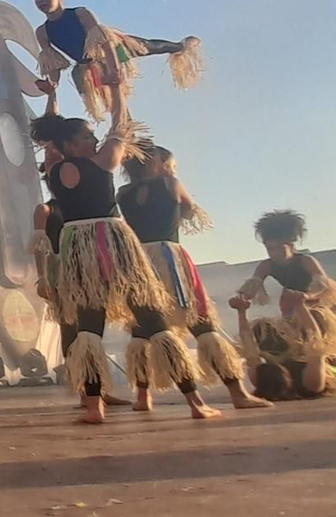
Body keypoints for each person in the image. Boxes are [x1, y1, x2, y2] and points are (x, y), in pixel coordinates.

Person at [30, 85, 219, 424]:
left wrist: (53, 97)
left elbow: (50, 135)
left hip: (77, 246)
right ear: (72, 145)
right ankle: (195, 402)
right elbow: (120, 128)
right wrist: (117, 89)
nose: (94, 140)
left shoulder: (56, 167)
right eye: (88, 136)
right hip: (112, 241)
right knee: (151, 318)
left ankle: (92, 407)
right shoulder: (102, 164)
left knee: (89, 327)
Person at [118, 144, 270, 412]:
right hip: (169, 258)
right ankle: (237, 393)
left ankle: (143, 397)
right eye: (172, 165)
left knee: (142, 329)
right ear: (160, 163)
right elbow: (188, 210)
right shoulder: (170, 184)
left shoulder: (124, 194)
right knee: (201, 323)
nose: (174, 170)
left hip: (138, 263)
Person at [235, 210, 336, 398]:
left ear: (291, 245)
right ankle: (295, 364)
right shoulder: (267, 265)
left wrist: (307, 297)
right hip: (293, 298)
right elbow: (253, 283)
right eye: (270, 249)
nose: (274, 254)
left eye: (279, 248)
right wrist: (243, 298)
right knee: (292, 332)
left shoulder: (306, 261)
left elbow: (322, 284)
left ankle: (330, 368)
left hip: (320, 297)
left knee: (320, 329)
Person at [30, 0, 203, 122]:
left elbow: (105, 43)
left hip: (112, 51)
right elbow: (54, 66)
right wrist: (52, 84)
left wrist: (114, 69)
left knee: (149, 46)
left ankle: (180, 46)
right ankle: (126, 129)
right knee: (109, 98)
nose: (39, 1)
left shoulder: (80, 14)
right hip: (87, 66)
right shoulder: (42, 32)